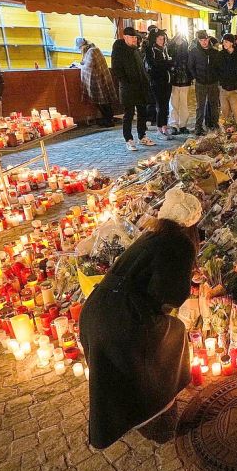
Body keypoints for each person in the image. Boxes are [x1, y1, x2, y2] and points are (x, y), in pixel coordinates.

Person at [80, 185, 201, 449]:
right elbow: (169, 295)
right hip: (124, 318)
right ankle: (158, 418)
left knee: (120, 369)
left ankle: (138, 419)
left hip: (96, 311)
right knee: (170, 340)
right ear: (191, 224)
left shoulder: (151, 235)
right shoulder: (180, 243)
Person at [111, 27, 155, 151]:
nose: (135, 39)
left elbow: (141, 68)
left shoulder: (136, 50)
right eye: (132, 37)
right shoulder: (119, 50)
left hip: (140, 87)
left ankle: (142, 136)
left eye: (135, 37)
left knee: (142, 112)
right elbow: (117, 69)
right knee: (128, 114)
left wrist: (145, 80)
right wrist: (126, 81)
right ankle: (129, 139)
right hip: (128, 88)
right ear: (125, 37)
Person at [78, 38, 118, 127]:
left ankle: (108, 120)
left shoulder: (92, 51)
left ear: (82, 46)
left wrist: (81, 65)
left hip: (97, 80)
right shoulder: (94, 49)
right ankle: (108, 119)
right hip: (102, 77)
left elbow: (89, 66)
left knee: (102, 102)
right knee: (105, 101)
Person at [187, 31, 220, 135]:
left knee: (214, 104)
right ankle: (198, 127)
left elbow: (218, 66)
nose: (204, 42)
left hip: (213, 82)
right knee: (200, 106)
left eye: (205, 40)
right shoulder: (194, 51)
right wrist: (196, 77)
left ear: (208, 40)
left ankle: (214, 124)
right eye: (202, 40)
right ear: (199, 41)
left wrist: (216, 76)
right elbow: (190, 66)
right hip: (200, 82)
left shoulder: (214, 52)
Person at [144, 30, 175, 139]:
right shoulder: (151, 50)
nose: (162, 41)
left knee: (165, 105)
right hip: (157, 82)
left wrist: (168, 64)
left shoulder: (164, 49)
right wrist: (167, 63)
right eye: (160, 39)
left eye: (163, 39)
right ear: (155, 39)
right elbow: (155, 65)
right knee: (160, 105)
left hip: (167, 80)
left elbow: (167, 63)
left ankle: (164, 126)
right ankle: (159, 127)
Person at [167, 33, 193, 134]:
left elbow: (188, 64)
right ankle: (174, 124)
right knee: (174, 103)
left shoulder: (186, 49)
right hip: (175, 80)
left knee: (183, 104)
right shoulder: (171, 48)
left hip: (184, 80)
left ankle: (182, 125)